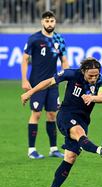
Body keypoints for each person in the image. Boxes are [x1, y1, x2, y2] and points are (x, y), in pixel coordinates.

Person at [21, 57, 102, 187]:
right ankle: (100, 150)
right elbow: (49, 82)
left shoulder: (101, 81)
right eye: (90, 75)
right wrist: (30, 92)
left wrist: (92, 97)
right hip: (66, 115)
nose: (93, 78)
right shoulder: (71, 74)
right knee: (78, 133)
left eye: (96, 75)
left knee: (70, 158)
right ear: (83, 71)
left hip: (83, 119)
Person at [21, 10, 69, 159]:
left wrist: (67, 76)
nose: (49, 24)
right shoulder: (34, 39)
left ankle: (53, 149)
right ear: (42, 22)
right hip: (36, 84)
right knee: (36, 114)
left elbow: (64, 61)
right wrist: (24, 80)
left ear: (55, 22)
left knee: (51, 114)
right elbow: (24, 60)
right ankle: (31, 150)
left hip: (52, 83)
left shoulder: (59, 39)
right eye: (47, 21)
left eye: (52, 21)